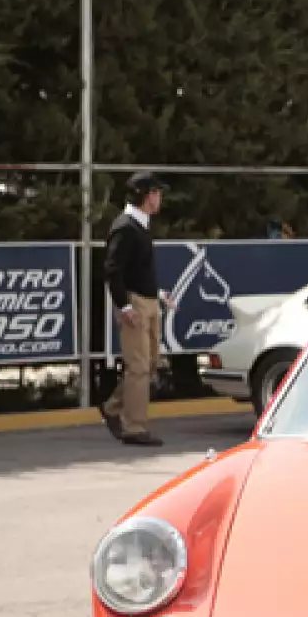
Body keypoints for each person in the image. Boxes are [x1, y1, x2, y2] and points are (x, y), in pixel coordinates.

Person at [101, 171, 169, 447]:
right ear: (144, 196)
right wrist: (125, 306)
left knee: (150, 363)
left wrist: (160, 294)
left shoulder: (141, 225)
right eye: (155, 193)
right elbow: (112, 270)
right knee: (139, 366)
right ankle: (134, 427)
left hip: (148, 301)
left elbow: (139, 269)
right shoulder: (125, 227)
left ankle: (113, 407)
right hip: (135, 304)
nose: (159, 198)